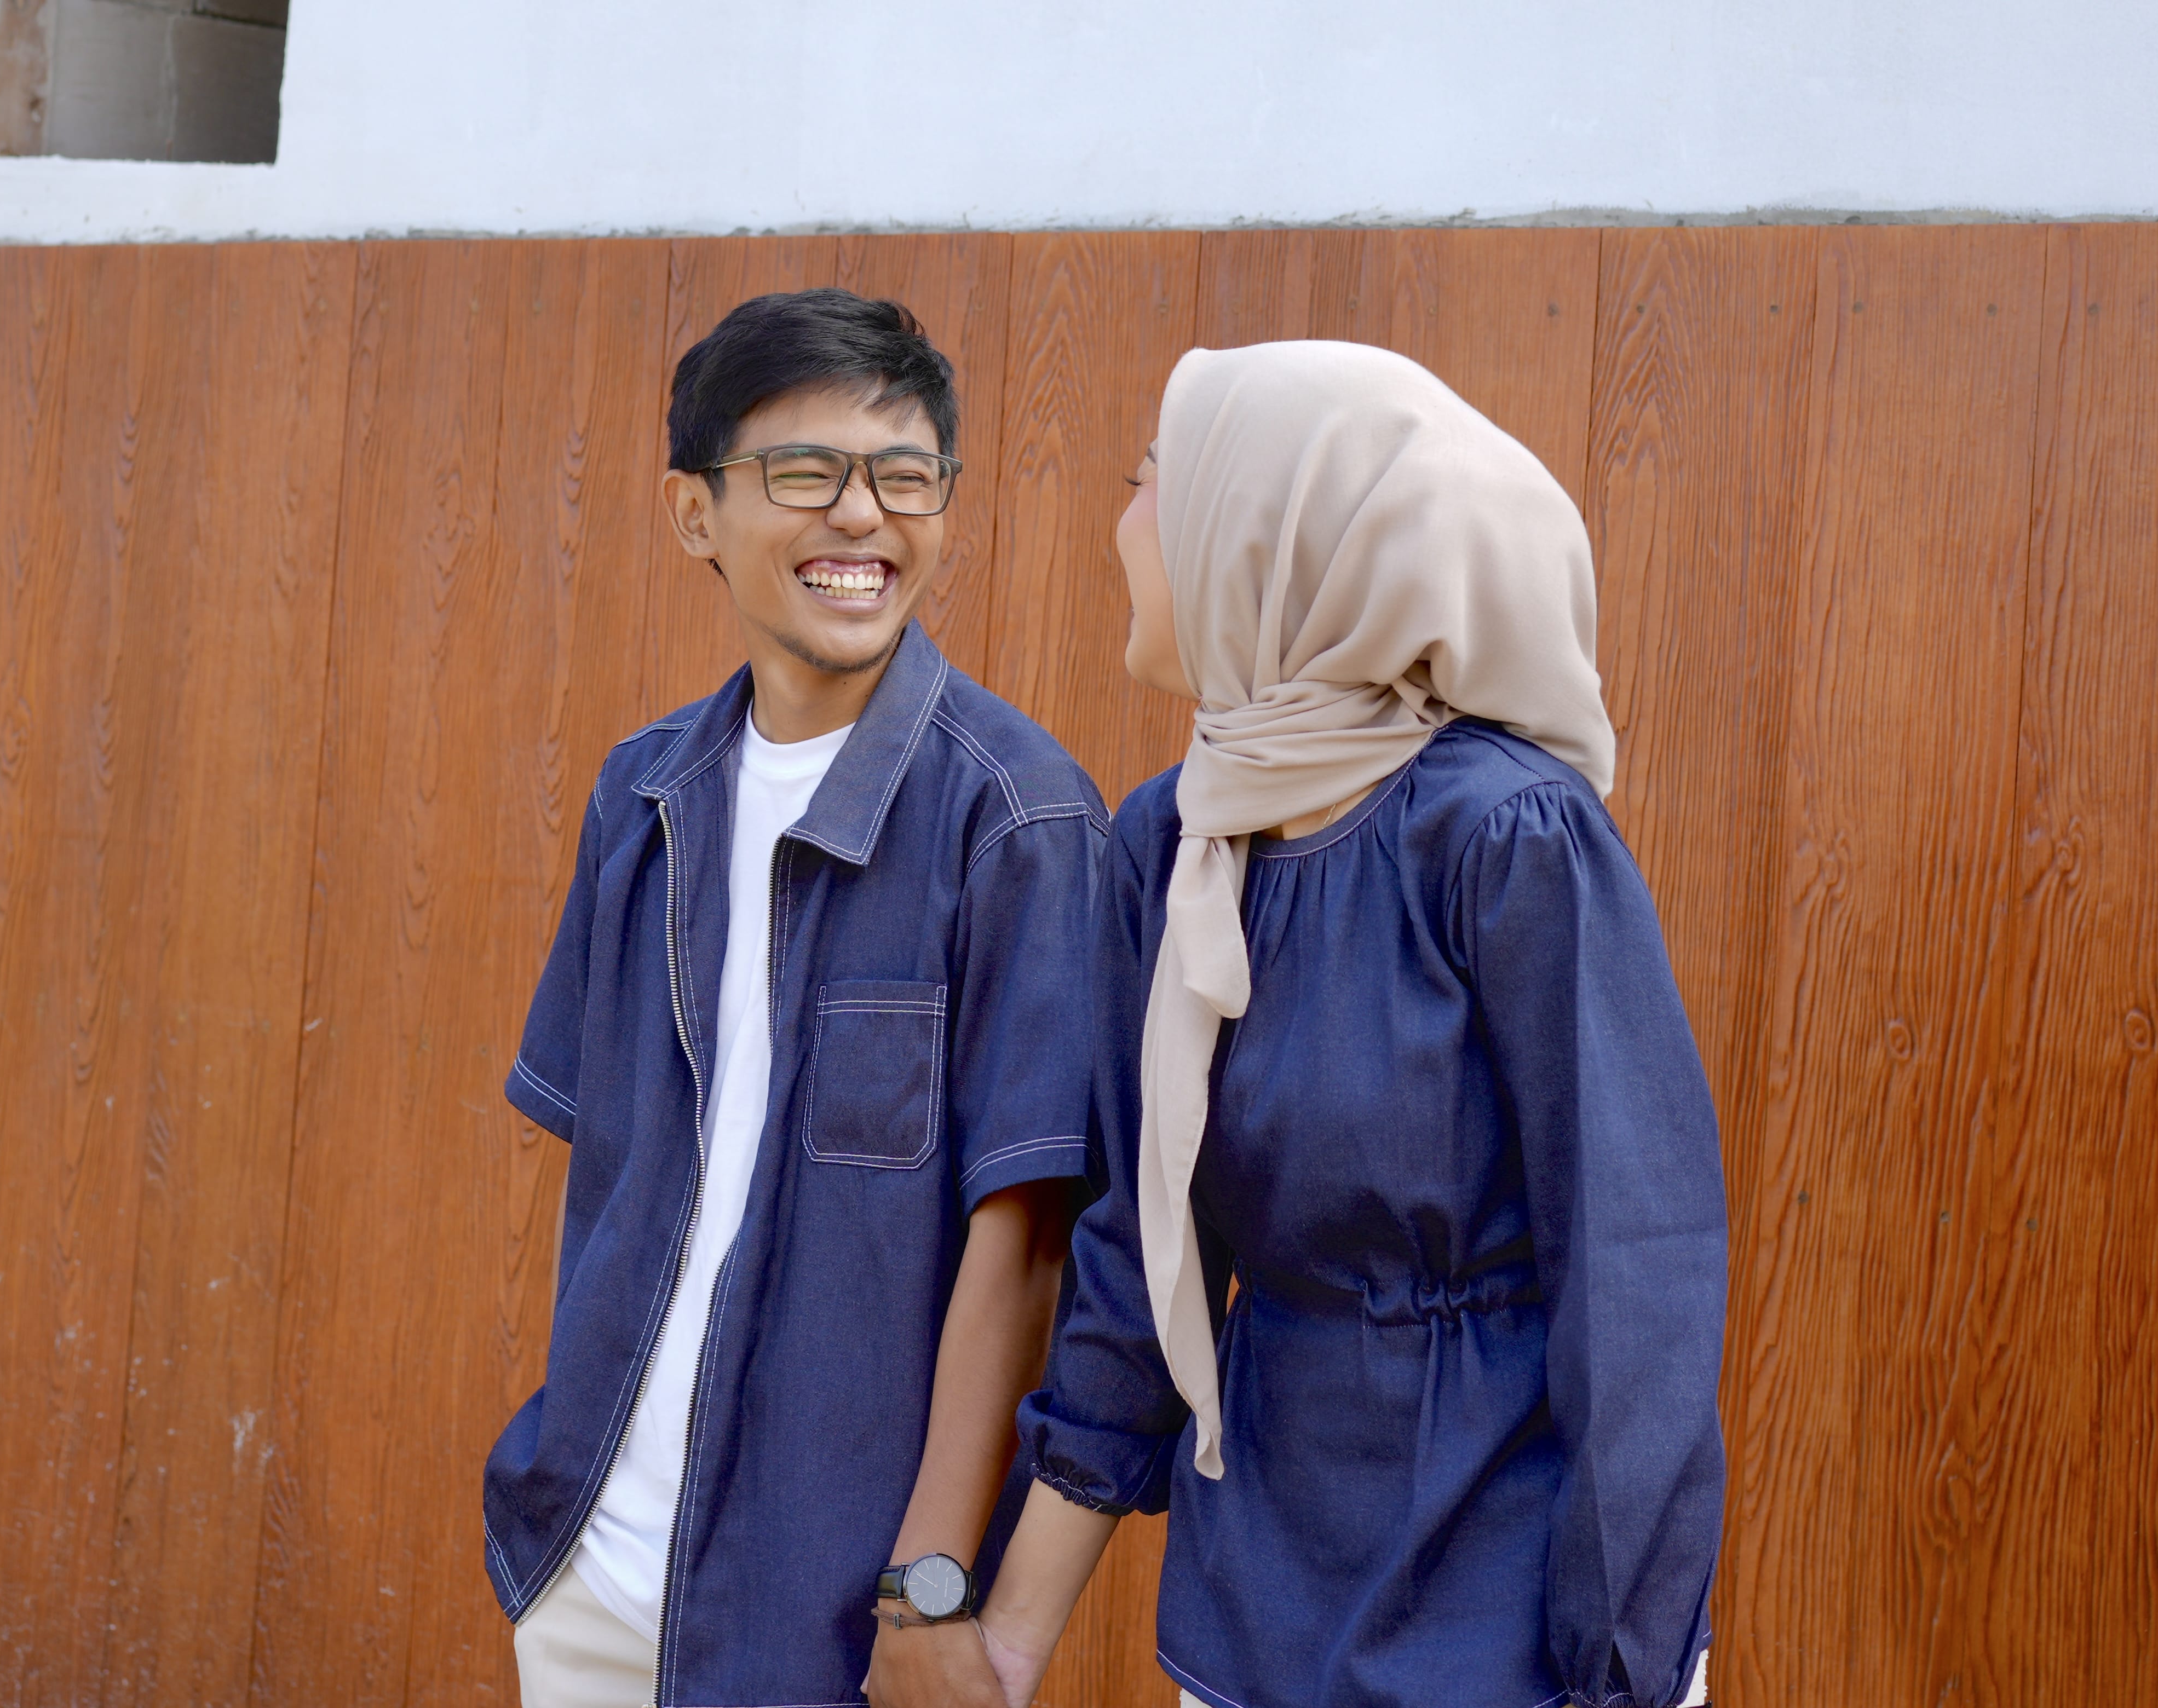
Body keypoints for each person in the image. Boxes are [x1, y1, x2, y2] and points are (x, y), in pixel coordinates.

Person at [974, 339, 1727, 1708]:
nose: (1122, 521)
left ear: (1268, 531)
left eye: (1150, 478)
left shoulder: (1505, 832)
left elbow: (1635, 1274)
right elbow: (1145, 1256)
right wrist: (1005, 1646)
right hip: (1255, 1600)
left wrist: (1623, 1662)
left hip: (1507, 1611)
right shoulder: (1172, 840)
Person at [485, 289, 1105, 1708]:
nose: (863, 518)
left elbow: (1026, 1246)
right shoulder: (644, 792)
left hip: (829, 1619)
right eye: (807, 473)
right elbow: (614, 1176)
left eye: (904, 477)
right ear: (695, 511)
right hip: (591, 1571)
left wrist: (928, 1586)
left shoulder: (1017, 817)